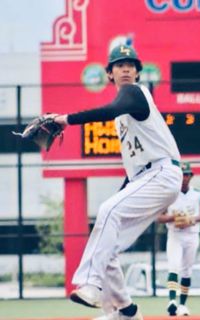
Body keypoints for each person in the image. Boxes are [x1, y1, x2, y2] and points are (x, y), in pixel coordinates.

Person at [51, 44, 182, 320]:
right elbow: (135, 168)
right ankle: (126, 311)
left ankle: (90, 283)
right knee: (106, 244)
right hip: (148, 176)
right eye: (119, 65)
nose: (125, 68)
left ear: (137, 73)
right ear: (109, 73)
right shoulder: (123, 116)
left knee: (108, 211)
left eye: (131, 65)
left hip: (162, 172)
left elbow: (110, 109)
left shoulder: (133, 93)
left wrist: (66, 119)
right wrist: (124, 191)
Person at [158, 162, 200, 316]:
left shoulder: (197, 194)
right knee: (173, 266)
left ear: (191, 176)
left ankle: (182, 305)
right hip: (175, 235)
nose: (184, 177)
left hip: (192, 235)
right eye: (182, 174)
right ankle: (172, 301)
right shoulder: (170, 195)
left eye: (187, 174)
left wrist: (191, 219)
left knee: (186, 270)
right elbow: (159, 217)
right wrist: (174, 217)